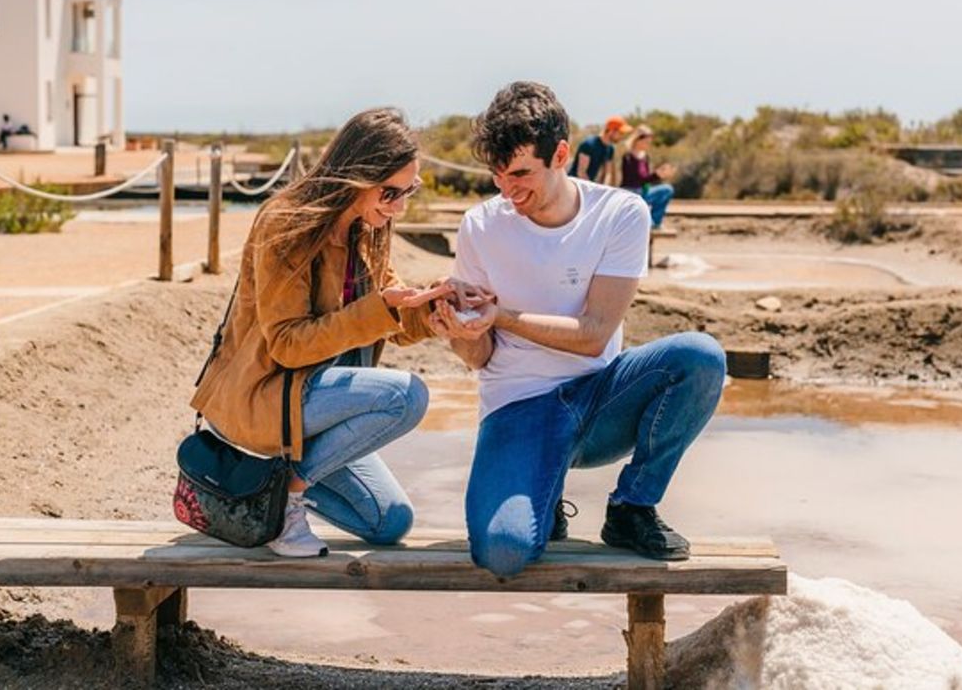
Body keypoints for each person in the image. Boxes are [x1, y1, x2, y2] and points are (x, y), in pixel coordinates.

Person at [431, 81, 726, 578]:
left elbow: (593, 334)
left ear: (561, 154)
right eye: (498, 175)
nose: (508, 189)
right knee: (502, 554)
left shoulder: (620, 214)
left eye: (522, 172)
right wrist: (458, 331)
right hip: (516, 405)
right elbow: (480, 357)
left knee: (700, 357)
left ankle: (632, 506)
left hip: (599, 400)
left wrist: (501, 317)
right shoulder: (479, 225)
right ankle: (544, 500)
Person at [191, 107, 471, 557]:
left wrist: (435, 309)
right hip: (270, 394)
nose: (399, 206)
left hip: (318, 406)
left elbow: (390, 311)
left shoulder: (367, 229)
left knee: (389, 523)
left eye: (409, 191)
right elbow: (286, 343)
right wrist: (381, 309)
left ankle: (273, 487)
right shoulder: (288, 222)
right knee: (407, 396)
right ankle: (287, 498)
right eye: (391, 192)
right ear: (358, 176)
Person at [619, 125, 676, 229]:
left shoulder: (645, 157)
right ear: (637, 140)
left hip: (643, 191)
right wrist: (657, 175)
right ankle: (649, 223)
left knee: (667, 190)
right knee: (663, 189)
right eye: (646, 142)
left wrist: (659, 174)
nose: (648, 145)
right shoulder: (628, 157)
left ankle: (654, 222)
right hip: (631, 193)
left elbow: (646, 179)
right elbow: (636, 179)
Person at [568, 115, 632, 186]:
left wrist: (604, 188)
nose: (622, 136)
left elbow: (608, 173)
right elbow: (581, 172)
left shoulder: (610, 149)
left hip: (589, 186)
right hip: (574, 185)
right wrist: (592, 189)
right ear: (611, 131)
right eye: (621, 133)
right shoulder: (589, 144)